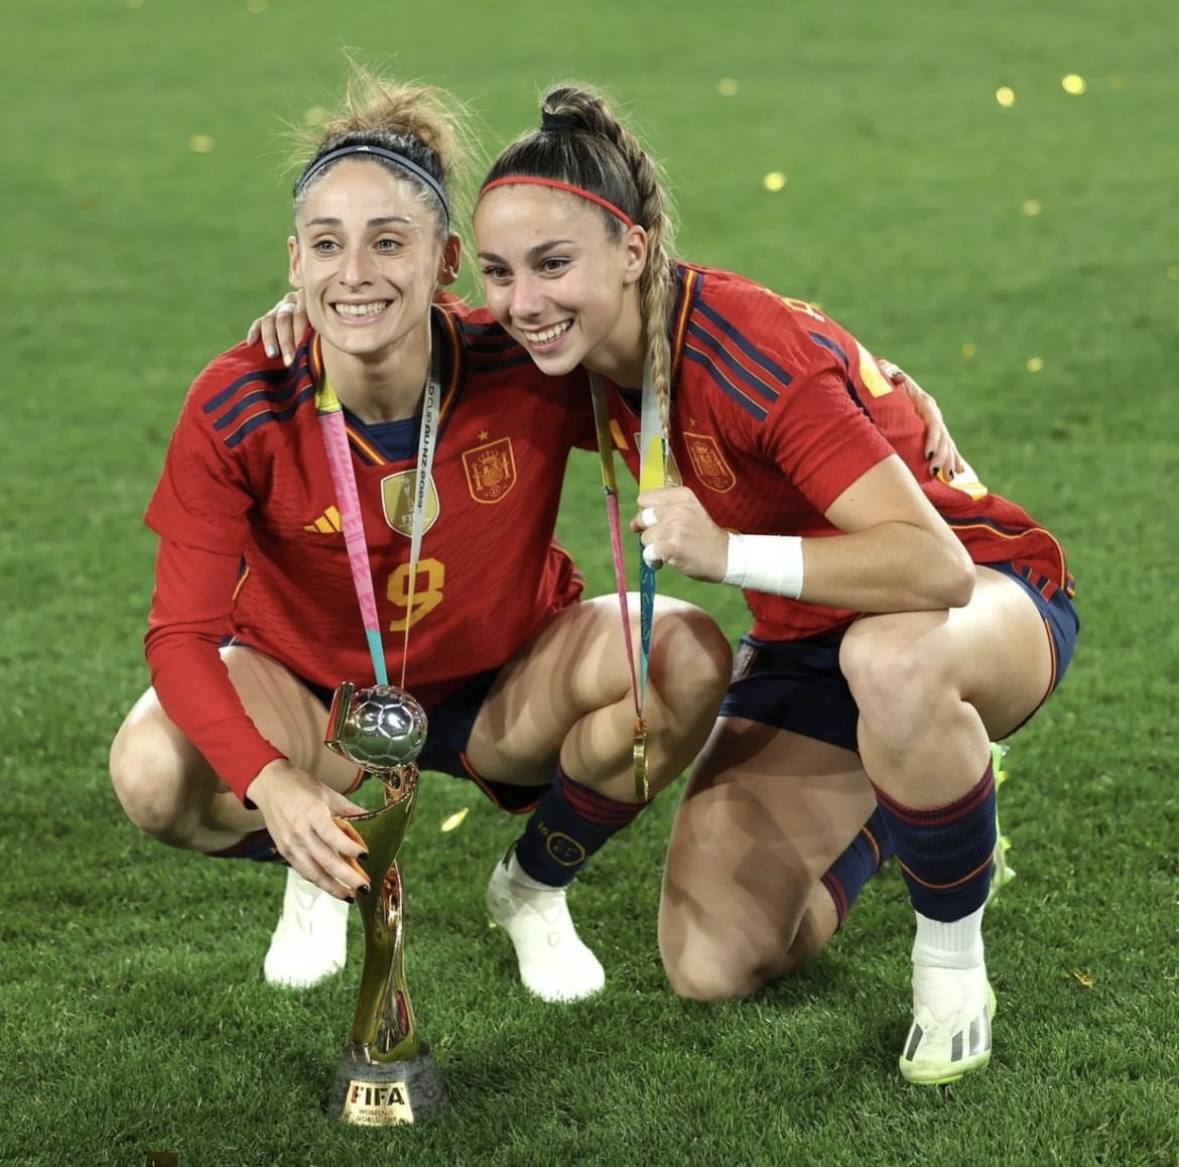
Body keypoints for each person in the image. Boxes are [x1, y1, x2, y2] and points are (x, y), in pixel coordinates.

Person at [463, 85, 1079, 1084]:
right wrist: (307, 312)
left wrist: (730, 553)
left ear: (633, 249)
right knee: (712, 964)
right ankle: (914, 795)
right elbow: (409, 346)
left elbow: (937, 569)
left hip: (977, 601)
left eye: (552, 263)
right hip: (809, 641)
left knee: (892, 657)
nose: (522, 301)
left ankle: (952, 959)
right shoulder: (563, 344)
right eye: (497, 272)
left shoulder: (745, 350)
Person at [108, 70, 733, 1005]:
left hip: (501, 684)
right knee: (151, 771)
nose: (354, 274)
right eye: (328, 246)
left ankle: (532, 888)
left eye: (388, 243)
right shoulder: (240, 397)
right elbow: (178, 637)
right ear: (294, 262)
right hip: (315, 701)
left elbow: (685, 351)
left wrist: (873, 385)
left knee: (684, 655)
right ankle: (314, 848)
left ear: (445, 262)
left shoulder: (523, 360)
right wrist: (273, 783)